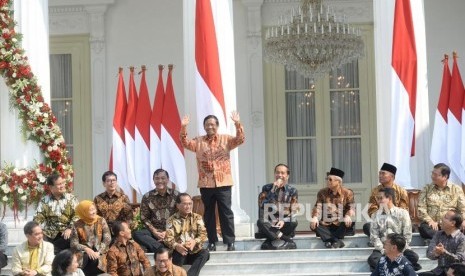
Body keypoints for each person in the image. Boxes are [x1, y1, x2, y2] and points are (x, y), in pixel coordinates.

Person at [180, 112, 245, 251]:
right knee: (208, 213)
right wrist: (184, 127)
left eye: (212, 124)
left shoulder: (226, 139)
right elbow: (184, 143)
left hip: (224, 183)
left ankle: (230, 241)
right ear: (204, 126)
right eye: (207, 124)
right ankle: (212, 241)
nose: (210, 127)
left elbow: (240, 139)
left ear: (217, 126)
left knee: (226, 212)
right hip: (206, 183)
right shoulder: (198, 141)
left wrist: (237, 123)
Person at [367, 187, 421, 271]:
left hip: (400, 248)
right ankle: (399, 265)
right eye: (378, 199)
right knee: (372, 259)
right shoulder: (375, 215)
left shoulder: (403, 213)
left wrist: (398, 250)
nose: (378, 201)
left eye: (381, 198)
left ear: (390, 198)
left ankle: (386, 265)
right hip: (383, 248)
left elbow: (407, 235)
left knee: (413, 257)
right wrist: (384, 250)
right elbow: (374, 237)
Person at [133, 169, 179, 253]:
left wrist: (168, 232)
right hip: (154, 232)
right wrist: (154, 231)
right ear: (153, 180)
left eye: (163, 178)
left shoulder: (176, 195)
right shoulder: (147, 197)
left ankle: (158, 247)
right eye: (157, 178)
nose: (160, 181)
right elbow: (144, 218)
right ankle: (162, 248)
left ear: (167, 179)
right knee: (137, 234)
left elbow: (180, 216)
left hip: (173, 231)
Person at [164, 193, 209, 276]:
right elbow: (168, 238)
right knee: (179, 253)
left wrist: (195, 241)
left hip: (194, 251)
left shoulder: (197, 217)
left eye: (190, 204)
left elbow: (203, 234)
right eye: (184, 204)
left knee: (205, 253)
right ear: (178, 205)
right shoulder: (171, 220)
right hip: (179, 252)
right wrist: (176, 246)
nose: (188, 206)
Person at [34, 172, 79, 254]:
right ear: (51, 187)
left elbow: (77, 215)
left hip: (67, 233)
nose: (62, 186)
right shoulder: (44, 201)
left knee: (68, 241)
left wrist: (70, 228)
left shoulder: (71, 198)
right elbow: (38, 217)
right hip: (50, 235)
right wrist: (41, 231)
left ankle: (53, 250)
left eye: (62, 183)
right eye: (59, 184)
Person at [418, 163, 465, 240]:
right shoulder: (426, 188)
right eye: (432, 173)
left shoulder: (456, 189)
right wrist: (430, 220)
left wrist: (463, 220)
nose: (432, 176)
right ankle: (447, 238)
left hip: (452, 224)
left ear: (445, 176)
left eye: (436, 175)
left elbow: (463, 208)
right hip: (433, 226)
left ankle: (442, 238)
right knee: (424, 228)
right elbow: (421, 208)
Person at [257, 163, 299, 250]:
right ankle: (287, 240)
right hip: (270, 223)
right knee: (261, 221)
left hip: (283, 224)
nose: (279, 175)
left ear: (287, 176)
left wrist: (283, 220)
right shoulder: (267, 188)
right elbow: (262, 205)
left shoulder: (292, 191)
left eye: (282, 173)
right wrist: (273, 190)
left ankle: (269, 241)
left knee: (293, 221)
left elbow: (294, 210)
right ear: (274, 174)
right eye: (277, 172)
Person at [310, 167, 355, 248]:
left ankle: (328, 239)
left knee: (346, 222)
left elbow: (351, 207)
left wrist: (348, 215)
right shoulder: (322, 192)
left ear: (338, 182)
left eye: (330, 179)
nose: (328, 181)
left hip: (341, 223)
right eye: (327, 179)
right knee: (313, 225)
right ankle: (336, 240)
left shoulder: (348, 193)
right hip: (327, 224)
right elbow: (318, 206)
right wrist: (315, 217)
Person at [363, 163, 409, 236]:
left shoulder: (402, 191)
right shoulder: (375, 191)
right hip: (380, 221)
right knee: (367, 226)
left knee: (406, 225)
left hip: (396, 221)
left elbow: (403, 209)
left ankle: (386, 240)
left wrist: (391, 218)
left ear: (392, 176)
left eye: (383, 174)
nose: (380, 176)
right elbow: (372, 208)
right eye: (379, 173)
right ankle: (383, 239)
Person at [70, 200, 111, 275]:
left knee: (96, 259)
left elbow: (107, 239)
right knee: (86, 258)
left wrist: (98, 252)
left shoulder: (101, 220)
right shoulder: (77, 224)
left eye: (94, 209)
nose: (94, 212)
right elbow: (73, 243)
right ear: (83, 212)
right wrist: (86, 249)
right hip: (83, 253)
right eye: (90, 210)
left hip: (100, 251)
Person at [419, 210, 465, 276]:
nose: (442, 219)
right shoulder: (438, 234)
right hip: (439, 271)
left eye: (445, 217)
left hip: (454, 272)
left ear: (452, 223)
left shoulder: (462, 239)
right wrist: (436, 253)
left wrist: (444, 252)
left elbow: (460, 260)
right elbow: (428, 253)